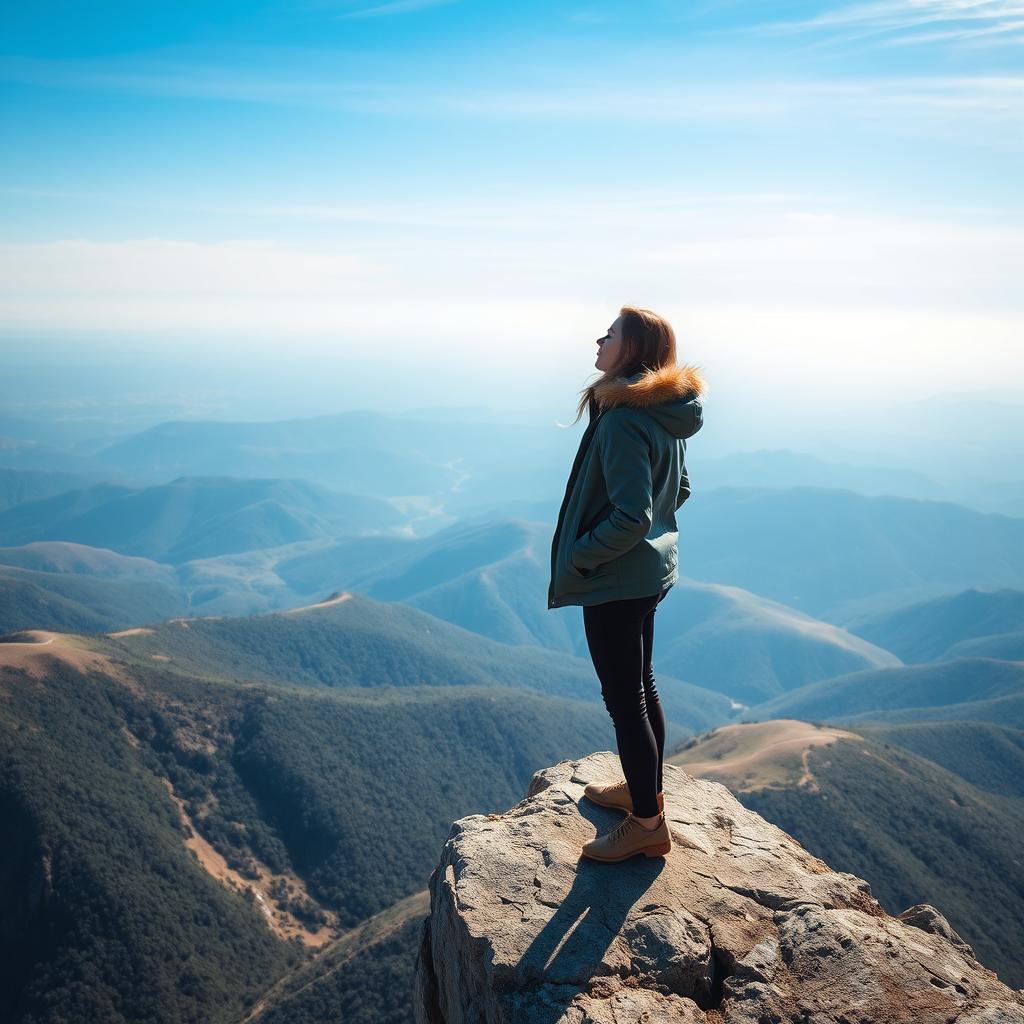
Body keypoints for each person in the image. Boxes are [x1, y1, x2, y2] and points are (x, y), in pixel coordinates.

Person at [547, 305, 706, 863]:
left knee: (625, 702)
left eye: (610, 334)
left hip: (616, 579)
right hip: (650, 574)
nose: (599, 339)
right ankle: (646, 796)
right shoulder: (665, 412)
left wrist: (585, 557)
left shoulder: (620, 419)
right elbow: (680, 488)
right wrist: (650, 539)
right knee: (642, 688)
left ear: (632, 351)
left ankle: (645, 823)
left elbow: (631, 517)